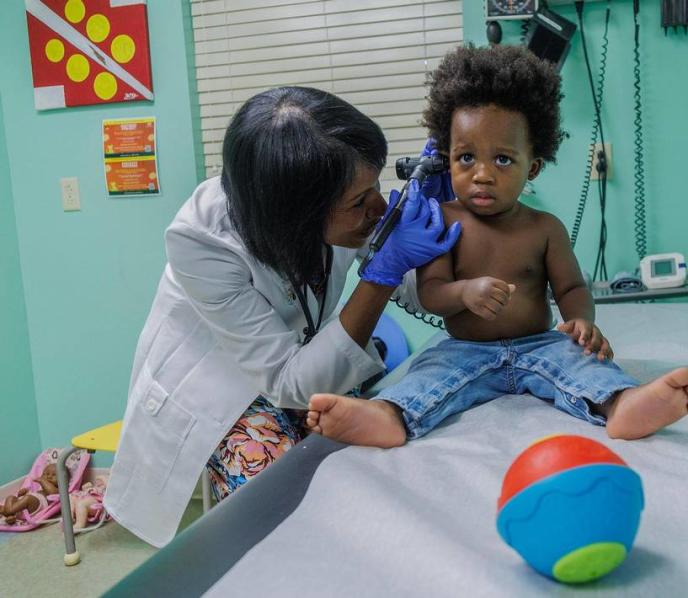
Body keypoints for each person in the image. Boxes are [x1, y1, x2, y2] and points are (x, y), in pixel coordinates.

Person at [104, 87, 461, 547]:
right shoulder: (202, 241)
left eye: (376, 186)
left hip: (299, 365)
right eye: (360, 201)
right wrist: (382, 274)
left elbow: (419, 289)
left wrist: (444, 219)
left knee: (364, 463)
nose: (376, 207)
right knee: (281, 502)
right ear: (296, 219)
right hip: (223, 390)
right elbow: (287, 381)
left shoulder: (331, 198)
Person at [305, 46, 688, 448]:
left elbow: (571, 288)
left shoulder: (545, 228)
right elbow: (432, 293)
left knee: (584, 364)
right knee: (428, 371)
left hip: (540, 342)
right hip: (464, 348)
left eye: (503, 160)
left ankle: (622, 404)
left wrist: (580, 321)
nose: (482, 175)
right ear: (445, 159)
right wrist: (464, 293)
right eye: (466, 157)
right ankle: (389, 415)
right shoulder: (440, 222)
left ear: (532, 167)